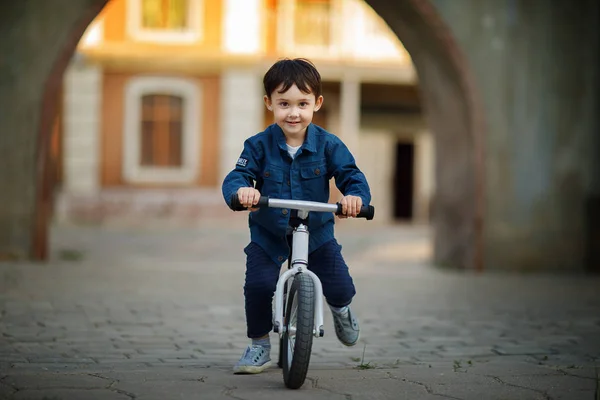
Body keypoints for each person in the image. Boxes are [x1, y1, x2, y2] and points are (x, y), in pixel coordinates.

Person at [222, 58, 371, 374]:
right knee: (260, 286)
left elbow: (350, 175)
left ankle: (342, 312)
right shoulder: (258, 145)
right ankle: (259, 346)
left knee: (340, 285)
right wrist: (242, 192)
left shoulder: (328, 145)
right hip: (269, 234)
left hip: (315, 232)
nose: (293, 112)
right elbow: (238, 176)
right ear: (269, 103)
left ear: (316, 103)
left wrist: (355, 197)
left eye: (302, 103)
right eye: (284, 103)